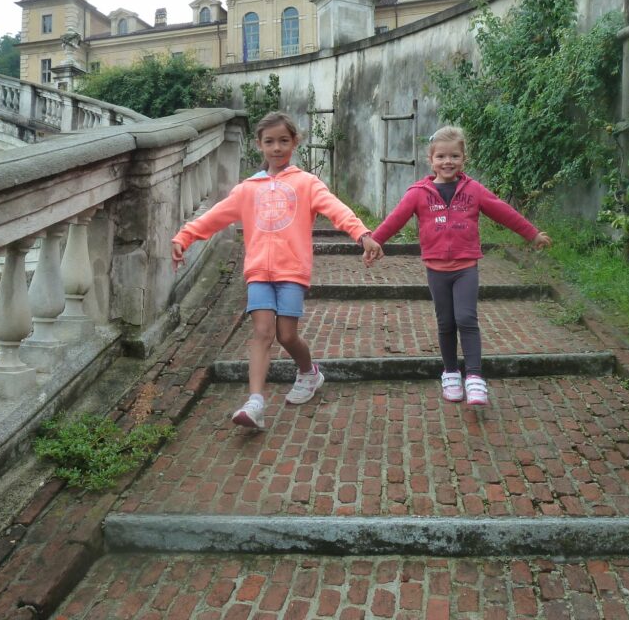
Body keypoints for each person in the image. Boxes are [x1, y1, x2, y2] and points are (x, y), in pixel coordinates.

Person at [172, 112, 383, 429]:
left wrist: (362, 234)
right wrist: (185, 236)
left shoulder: (306, 184)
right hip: (258, 271)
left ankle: (309, 372)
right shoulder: (247, 189)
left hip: (292, 272)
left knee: (287, 335)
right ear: (259, 145)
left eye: (284, 140)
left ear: (295, 142)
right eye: (269, 142)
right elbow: (215, 216)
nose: (276, 148)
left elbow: (336, 210)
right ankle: (255, 401)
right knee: (261, 332)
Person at [368, 126, 551, 406]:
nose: (448, 162)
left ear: (463, 158)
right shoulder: (418, 193)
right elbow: (396, 219)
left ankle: (475, 378)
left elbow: (504, 212)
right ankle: (451, 372)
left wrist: (532, 233)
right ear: (431, 160)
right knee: (446, 323)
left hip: (466, 267)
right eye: (441, 156)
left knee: (466, 319)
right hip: (436, 269)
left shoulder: (474, 190)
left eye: (454, 156)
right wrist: (376, 240)